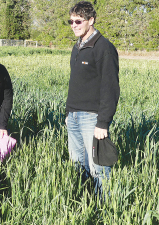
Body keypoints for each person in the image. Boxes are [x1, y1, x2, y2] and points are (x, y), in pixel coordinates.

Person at [65, 1, 120, 197]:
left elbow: (110, 88)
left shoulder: (104, 48)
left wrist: (103, 122)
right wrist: (68, 114)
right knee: (77, 164)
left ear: (91, 20)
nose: (74, 25)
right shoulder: (77, 47)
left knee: (98, 169)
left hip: (92, 119)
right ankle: (83, 201)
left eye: (78, 21)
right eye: (70, 21)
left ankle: (105, 208)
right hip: (73, 117)